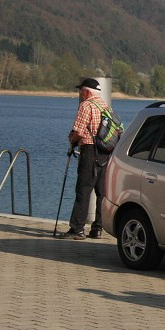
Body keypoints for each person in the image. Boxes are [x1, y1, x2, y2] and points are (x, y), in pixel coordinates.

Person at [56, 78, 110, 240]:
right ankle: (98, 228)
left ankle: (77, 229)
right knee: (101, 192)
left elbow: (79, 131)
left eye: (80, 90)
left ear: (86, 91)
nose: (79, 93)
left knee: (83, 189)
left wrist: (71, 142)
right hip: (106, 153)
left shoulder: (86, 106)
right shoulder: (106, 107)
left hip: (89, 150)